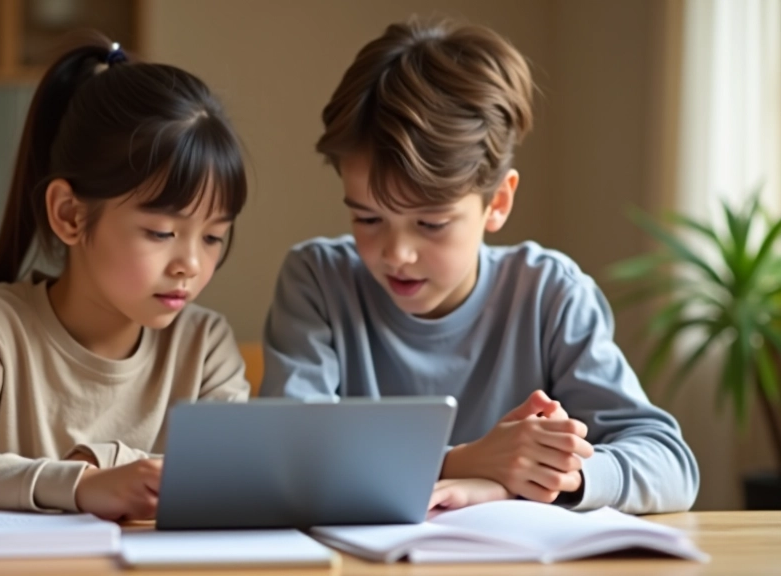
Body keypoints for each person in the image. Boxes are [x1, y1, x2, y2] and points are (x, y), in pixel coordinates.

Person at [261, 20, 698, 513]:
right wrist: (466, 462)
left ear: (498, 202)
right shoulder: (318, 280)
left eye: (430, 224)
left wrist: (540, 476)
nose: (396, 253)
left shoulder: (550, 293)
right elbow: (287, 459)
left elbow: (671, 463)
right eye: (367, 217)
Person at [0, 36, 250, 521]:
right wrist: (79, 486)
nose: (190, 264)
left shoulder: (204, 344)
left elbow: (236, 478)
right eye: (161, 232)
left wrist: (103, 462)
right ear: (69, 214)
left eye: (213, 238)